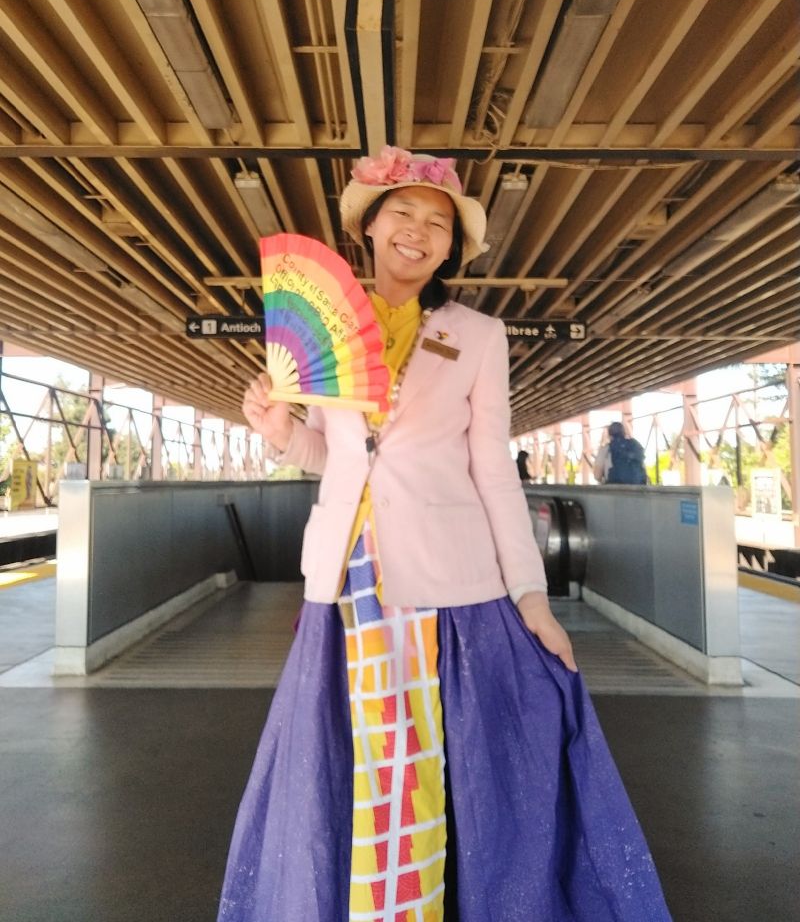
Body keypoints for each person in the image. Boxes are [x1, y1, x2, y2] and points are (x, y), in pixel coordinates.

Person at [218, 147, 671, 921]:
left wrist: (533, 598)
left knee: (443, 766)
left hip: (449, 588)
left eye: (437, 224)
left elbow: (494, 471)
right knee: (352, 767)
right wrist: (281, 431)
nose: (418, 233)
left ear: (451, 247)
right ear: (368, 226)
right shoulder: (326, 337)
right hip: (346, 582)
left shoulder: (479, 335)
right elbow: (337, 461)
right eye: (403, 213)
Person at [593, 421, 648, 485]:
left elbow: (597, 476)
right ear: (624, 433)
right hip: (638, 488)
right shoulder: (634, 446)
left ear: (609, 435)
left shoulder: (606, 449)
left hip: (616, 490)